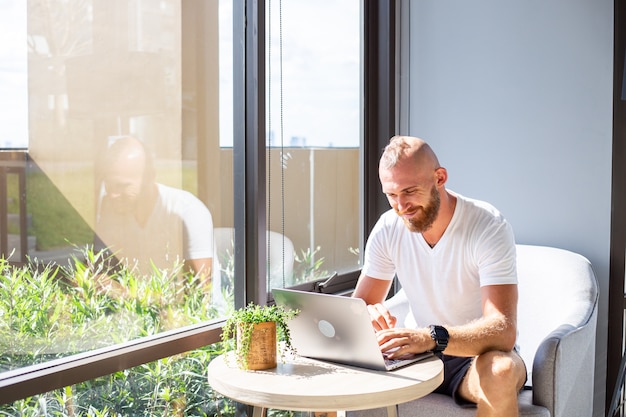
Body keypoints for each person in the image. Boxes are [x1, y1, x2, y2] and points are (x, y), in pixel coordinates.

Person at [352, 136, 527, 417]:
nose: (401, 206)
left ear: (440, 177)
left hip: (474, 357)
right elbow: (357, 308)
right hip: (416, 356)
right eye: (391, 195)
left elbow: (503, 330)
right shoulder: (388, 227)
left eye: (409, 191)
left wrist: (431, 337)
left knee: (501, 370)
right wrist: (368, 314)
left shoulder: (487, 225)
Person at [94, 136, 214, 291]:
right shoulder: (111, 208)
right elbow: (100, 267)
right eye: (108, 185)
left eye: (123, 186)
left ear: (149, 177)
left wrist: (123, 293)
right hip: (136, 310)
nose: (113, 195)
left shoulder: (187, 212)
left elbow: (200, 293)